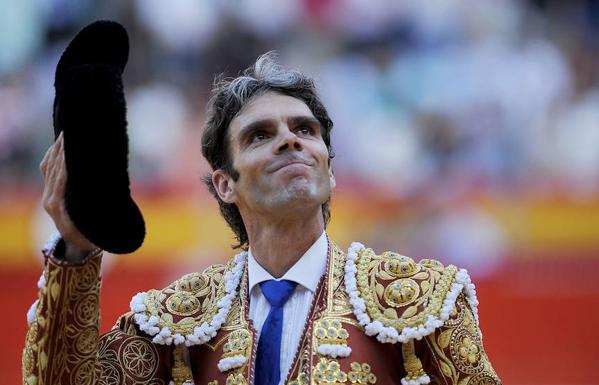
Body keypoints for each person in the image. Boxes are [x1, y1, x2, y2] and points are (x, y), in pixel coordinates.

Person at [22, 53, 502, 385]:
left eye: (305, 130)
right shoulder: (177, 321)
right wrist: (77, 251)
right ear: (225, 184)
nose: (291, 141)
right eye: (259, 135)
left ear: (329, 171)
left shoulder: (423, 300)